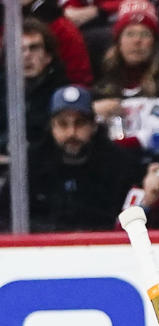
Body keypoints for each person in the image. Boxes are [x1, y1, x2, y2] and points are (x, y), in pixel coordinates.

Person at [0, 85, 141, 232]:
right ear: (52, 127)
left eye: (79, 123)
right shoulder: (29, 164)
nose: (71, 133)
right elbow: (6, 217)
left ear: (93, 125)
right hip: (42, 249)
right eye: (62, 124)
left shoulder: (117, 162)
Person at [0, 18, 69, 152]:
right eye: (20, 49)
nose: (27, 55)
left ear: (48, 56)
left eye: (34, 48)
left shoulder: (62, 93)